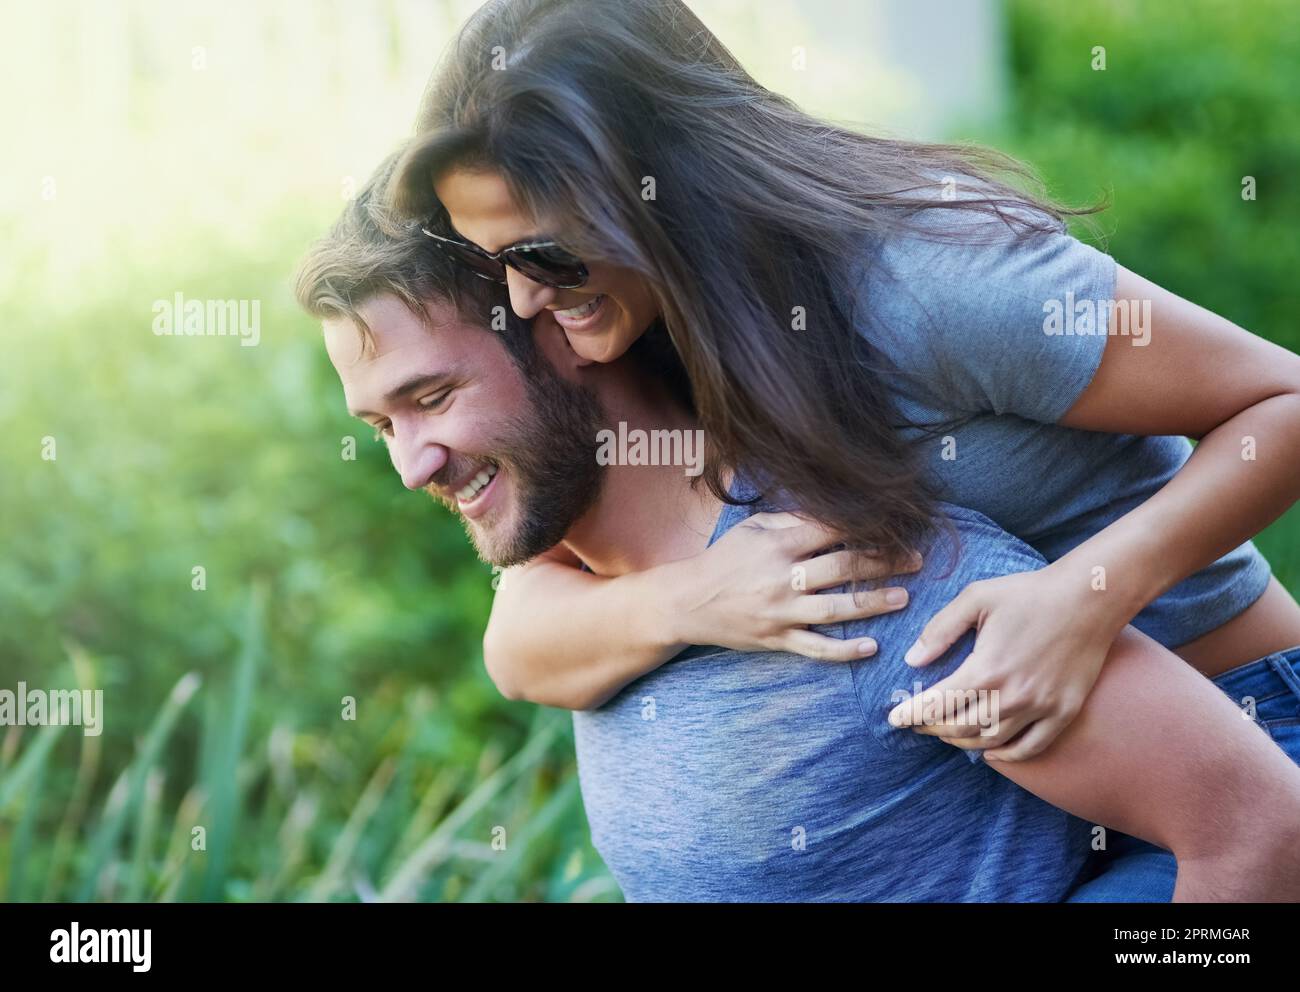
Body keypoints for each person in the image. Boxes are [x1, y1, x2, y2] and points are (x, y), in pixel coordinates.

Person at [387, 0, 1300, 897]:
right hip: (1047, 800)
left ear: (655, 182)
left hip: (1246, 746)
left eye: (542, 254)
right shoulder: (649, 325)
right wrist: (696, 598)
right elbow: (520, 639)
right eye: (490, 261)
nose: (525, 299)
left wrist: (1086, 596)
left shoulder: (932, 281)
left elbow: (1283, 402)